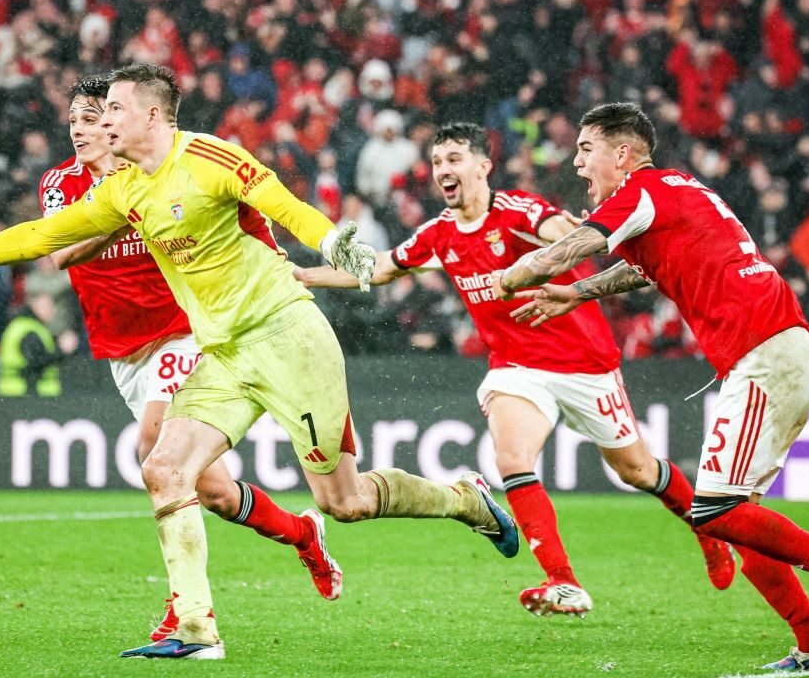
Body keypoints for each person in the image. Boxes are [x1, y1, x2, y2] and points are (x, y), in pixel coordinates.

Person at [0, 63, 518, 661]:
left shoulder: (209, 158)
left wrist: (333, 241)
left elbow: (284, 205)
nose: (103, 123)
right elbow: (45, 235)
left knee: (344, 502)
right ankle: (195, 629)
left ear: (152, 116)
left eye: (115, 110)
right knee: (164, 467)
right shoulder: (125, 189)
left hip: (288, 337)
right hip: (226, 354)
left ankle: (466, 501)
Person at [493, 102, 809, 672]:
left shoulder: (637, 192)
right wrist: (578, 294)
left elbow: (570, 248)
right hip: (772, 347)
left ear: (623, 154)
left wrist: (511, 275)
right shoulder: (670, 192)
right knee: (745, 520)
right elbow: (644, 269)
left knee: (715, 510)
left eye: (587, 149)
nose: (578, 162)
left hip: (765, 349)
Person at [296, 122, 735, 616]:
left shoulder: (518, 212)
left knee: (637, 469)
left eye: (455, 159)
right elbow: (380, 267)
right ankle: (562, 581)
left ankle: (708, 531)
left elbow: (564, 235)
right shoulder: (439, 234)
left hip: (585, 362)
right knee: (511, 459)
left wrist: (566, 239)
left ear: (484, 167)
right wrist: (303, 274)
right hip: (517, 367)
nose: (444, 169)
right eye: (438, 161)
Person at [42, 76, 346, 639]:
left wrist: (132, 203)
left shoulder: (154, 176)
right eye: (76, 121)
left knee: (153, 450)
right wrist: (119, 211)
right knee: (213, 491)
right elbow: (59, 253)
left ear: (126, 122)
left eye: (95, 117)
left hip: (181, 332)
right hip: (122, 349)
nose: (82, 130)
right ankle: (303, 533)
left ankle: (185, 614)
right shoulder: (65, 183)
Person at [0, 292, 78, 397]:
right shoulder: (29, 329)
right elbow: (36, 362)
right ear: (34, 306)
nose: (52, 311)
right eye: (46, 306)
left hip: (13, 390)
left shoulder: (23, 325)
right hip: (22, 392)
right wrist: (62, 350)